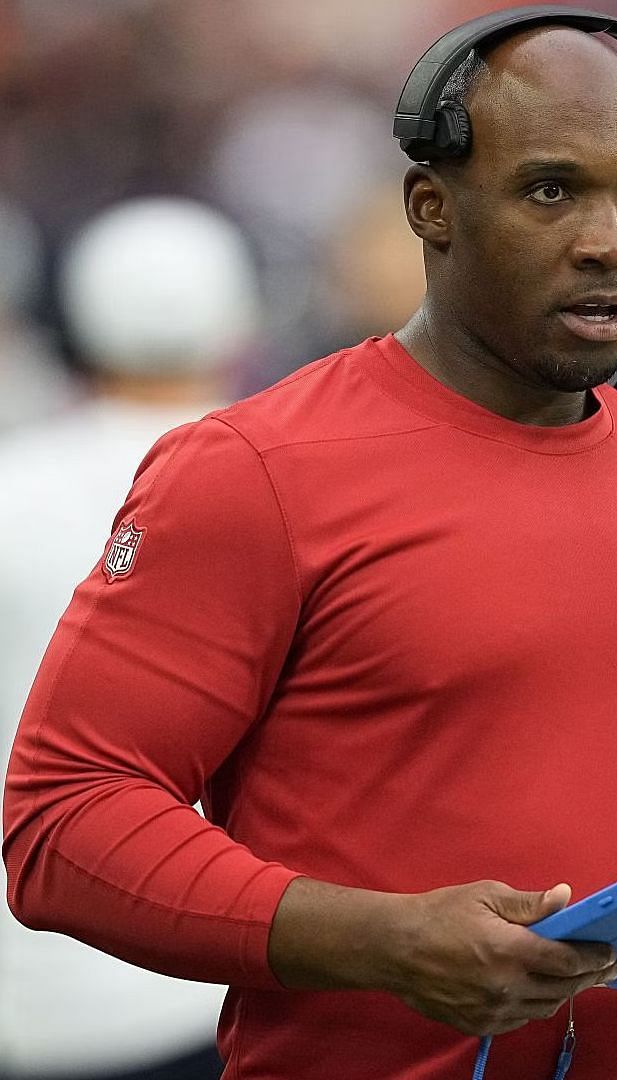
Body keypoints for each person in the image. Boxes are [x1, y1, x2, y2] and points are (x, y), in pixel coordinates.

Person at [4, 20, 617, 1080]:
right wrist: (382, 940)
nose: (612, 241)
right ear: (431, 210)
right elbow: (62, 824)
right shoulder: (257, 467)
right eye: (551, 190)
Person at [0, 195, 257, 1080]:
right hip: (211, 971)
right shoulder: (287, 485)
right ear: (239, 319)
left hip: (29, 988)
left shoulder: (12, 484)